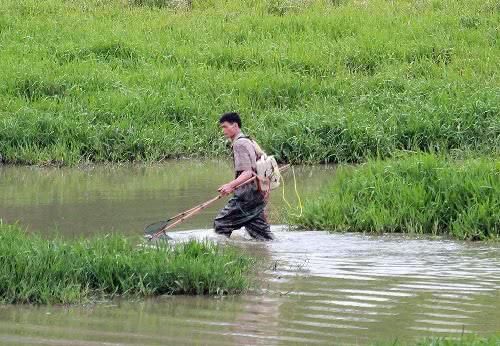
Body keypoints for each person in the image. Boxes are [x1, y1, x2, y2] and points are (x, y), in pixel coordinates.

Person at [213, 112, 274, 241]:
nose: (223, 131)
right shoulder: (248, 140)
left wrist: (230, 185)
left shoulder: (239, 144)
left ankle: (223, 254)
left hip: (246, 196)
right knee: (262, 236)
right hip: (257, 194)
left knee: (221, 224)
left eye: (225, 127)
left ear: (235, 126)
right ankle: (266, 253)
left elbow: (247, 173)